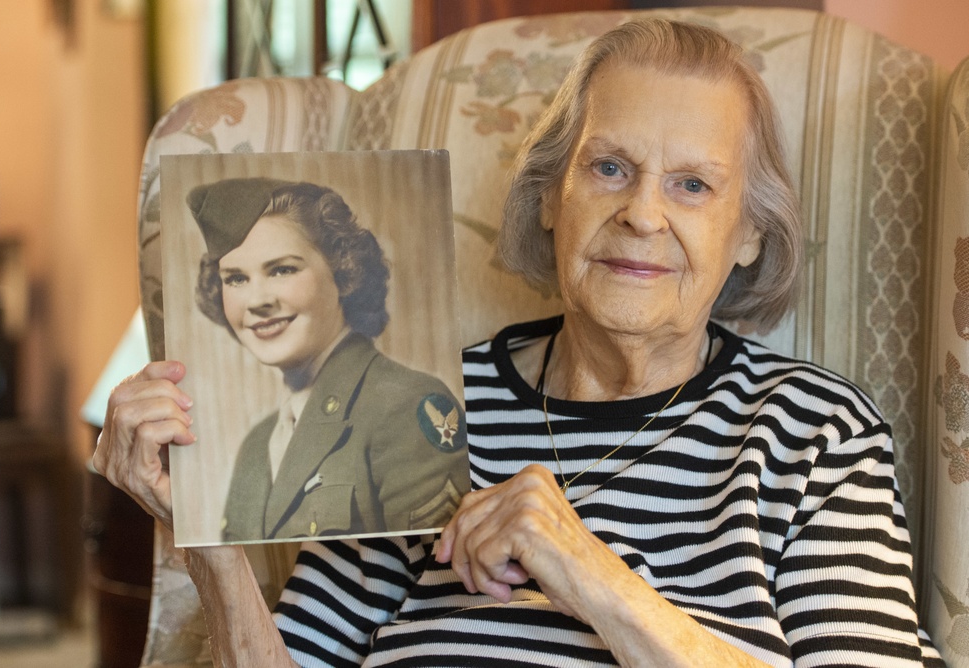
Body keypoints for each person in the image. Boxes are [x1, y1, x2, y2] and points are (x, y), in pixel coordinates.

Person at [95, 19, 945, 667]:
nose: (643, 215)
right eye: (609, 167)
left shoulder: (814, 434)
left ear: (750, 235)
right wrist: (203, 532)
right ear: (549, 196)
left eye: (692, 185)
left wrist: (584, 569)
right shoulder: (422, 398)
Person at [184, 178, 468, 541]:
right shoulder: (256, 447)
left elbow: (438, 580)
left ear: (343, 270)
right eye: (236, 278)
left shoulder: (406, 409)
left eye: (282, 269)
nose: (257, 301)